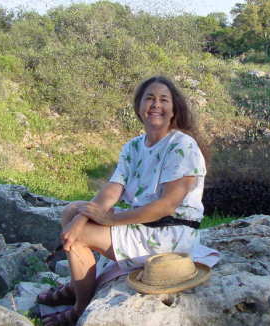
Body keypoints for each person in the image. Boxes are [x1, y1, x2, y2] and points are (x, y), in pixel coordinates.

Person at [37, 76, 207, 325]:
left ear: (173, 110)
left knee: (80, 238)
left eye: (163, 99)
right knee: (71, 211)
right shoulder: (134, 146)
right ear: (139, 107)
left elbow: (167, 205)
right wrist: (83, 216)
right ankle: (76, 286)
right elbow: (112, 189)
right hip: (144, 223)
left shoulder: (182, 145)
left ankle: (79, 309)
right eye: (149, 98)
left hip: (170, 232)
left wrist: (110, 219)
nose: (155, 104)